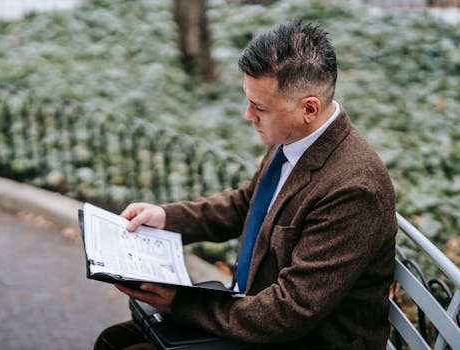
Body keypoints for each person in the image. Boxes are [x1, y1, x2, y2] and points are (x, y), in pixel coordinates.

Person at [94, 20, 397, 350]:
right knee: (114, 340)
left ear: (309, 108)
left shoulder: (354, 190)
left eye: (260, 107)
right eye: (249, 100)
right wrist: (166, 218)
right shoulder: (294, 137)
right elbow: (246, 204)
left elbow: (290, 311)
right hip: (257, 306)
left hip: (308, 338)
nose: (248, 115)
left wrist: (180, 304)